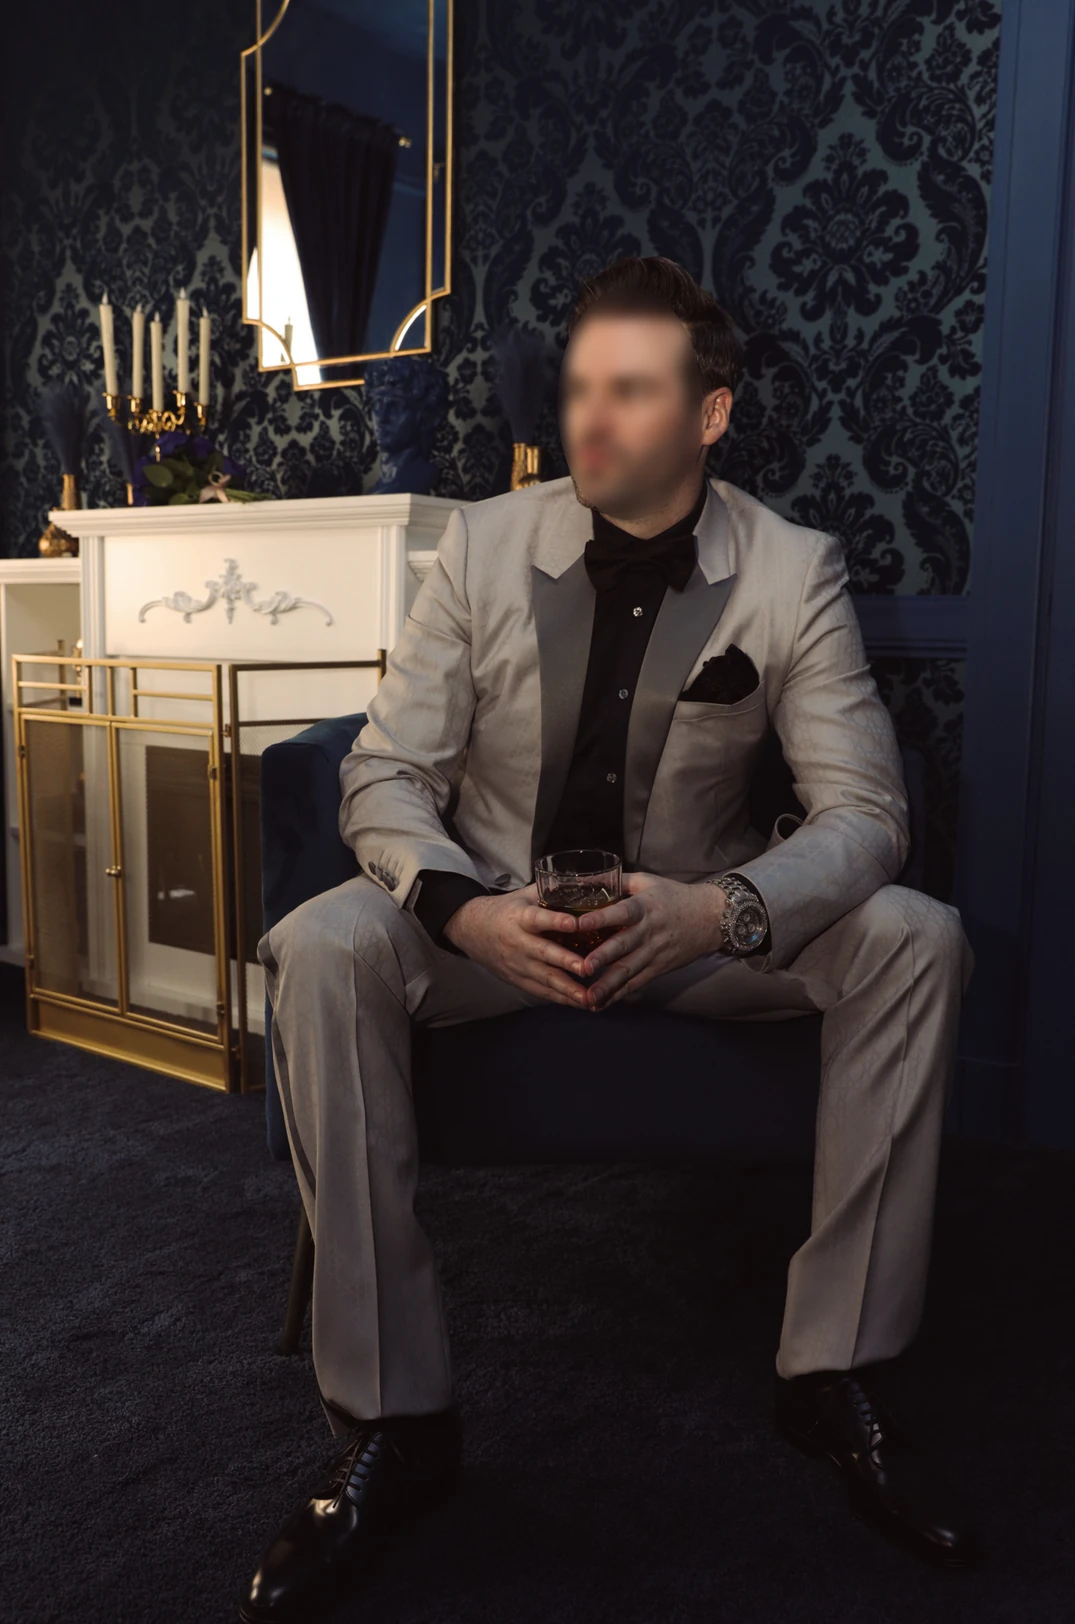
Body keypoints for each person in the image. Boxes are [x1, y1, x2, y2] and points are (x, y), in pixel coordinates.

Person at [240, 255, 981, 1623]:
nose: (589, 417)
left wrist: (719, 909)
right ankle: (397, 1421)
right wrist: (465, 909)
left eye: (629, 391)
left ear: (709, 414)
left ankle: (831, 1374)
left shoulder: (791, 570)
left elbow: (866, 814)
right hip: (492, 922)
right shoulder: (479, 547)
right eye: (582, 386)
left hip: (695, 930)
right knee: (322, 946)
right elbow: (385, 772)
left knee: (916, 939)